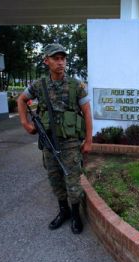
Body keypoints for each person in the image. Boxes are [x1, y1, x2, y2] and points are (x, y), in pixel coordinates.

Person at [17, 43, 92, 234]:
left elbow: (87, 112)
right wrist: (26, 124)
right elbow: (21, 99)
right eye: (55, 58)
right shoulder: (39, 85)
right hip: (49, 142)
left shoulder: (76, 85)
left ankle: (76, 215)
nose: (60, 62)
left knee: (72, 179)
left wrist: (89, 141)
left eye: (63, 58)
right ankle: (63, 211)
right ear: (46, 61)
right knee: (55, 179)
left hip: (70, 142)